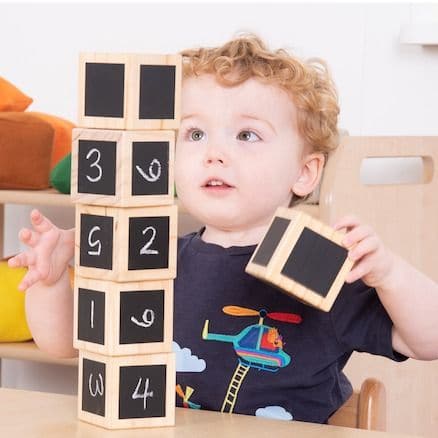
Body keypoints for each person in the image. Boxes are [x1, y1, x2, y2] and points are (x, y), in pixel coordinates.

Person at [8, 34, 438, 424]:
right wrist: (49, 283)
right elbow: (64, 343)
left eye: (247, 135)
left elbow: (428, 341)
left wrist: (389, 273)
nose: (214, 152)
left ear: (305, 174)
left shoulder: (322, 265)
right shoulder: (153, 258)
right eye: (194, 133)